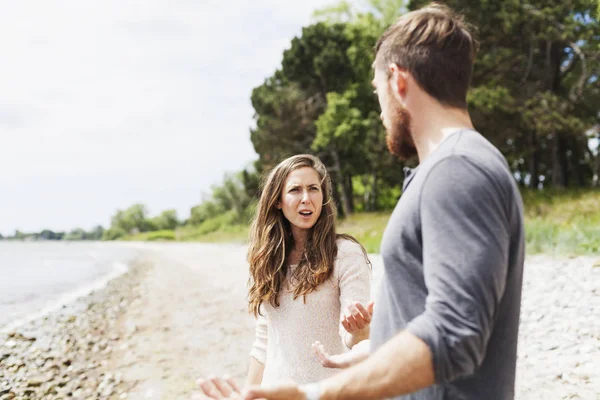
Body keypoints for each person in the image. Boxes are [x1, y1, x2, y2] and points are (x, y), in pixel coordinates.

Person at [198, 2, 525, 400]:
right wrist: (374, 348)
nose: (382, 111)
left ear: (398, 82)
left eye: (377, 92)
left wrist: (315, 394)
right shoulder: (449, 170)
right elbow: (432, 321)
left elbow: (455, 334)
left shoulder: (456, 170)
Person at [196, 154, 373, 396]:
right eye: (295, 190)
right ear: (278, 200)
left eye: (313, 189)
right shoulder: (267, 258)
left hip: (329, 392)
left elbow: (353, 339)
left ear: (323, 197)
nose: (306, 199)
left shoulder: (345, 254)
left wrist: (358, 329)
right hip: (277, 391)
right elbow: (264, 340)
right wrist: (249, 394)